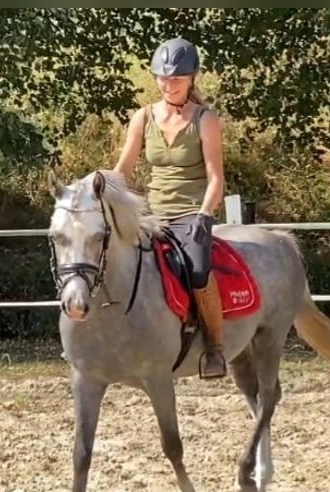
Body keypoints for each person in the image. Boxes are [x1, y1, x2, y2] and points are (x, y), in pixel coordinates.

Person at [113, 37, 227, 379]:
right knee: (108, 257)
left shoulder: (205, 120)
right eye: (162, 77)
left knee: (197, 270)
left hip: (191, 212)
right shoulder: (143, 117)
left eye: (176, 78)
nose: (168, 84)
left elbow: (216, 179)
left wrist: (205, 216)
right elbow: (123, 170)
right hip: (152, 213)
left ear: (192, 78)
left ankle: (215, 348)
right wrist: (98, 189)